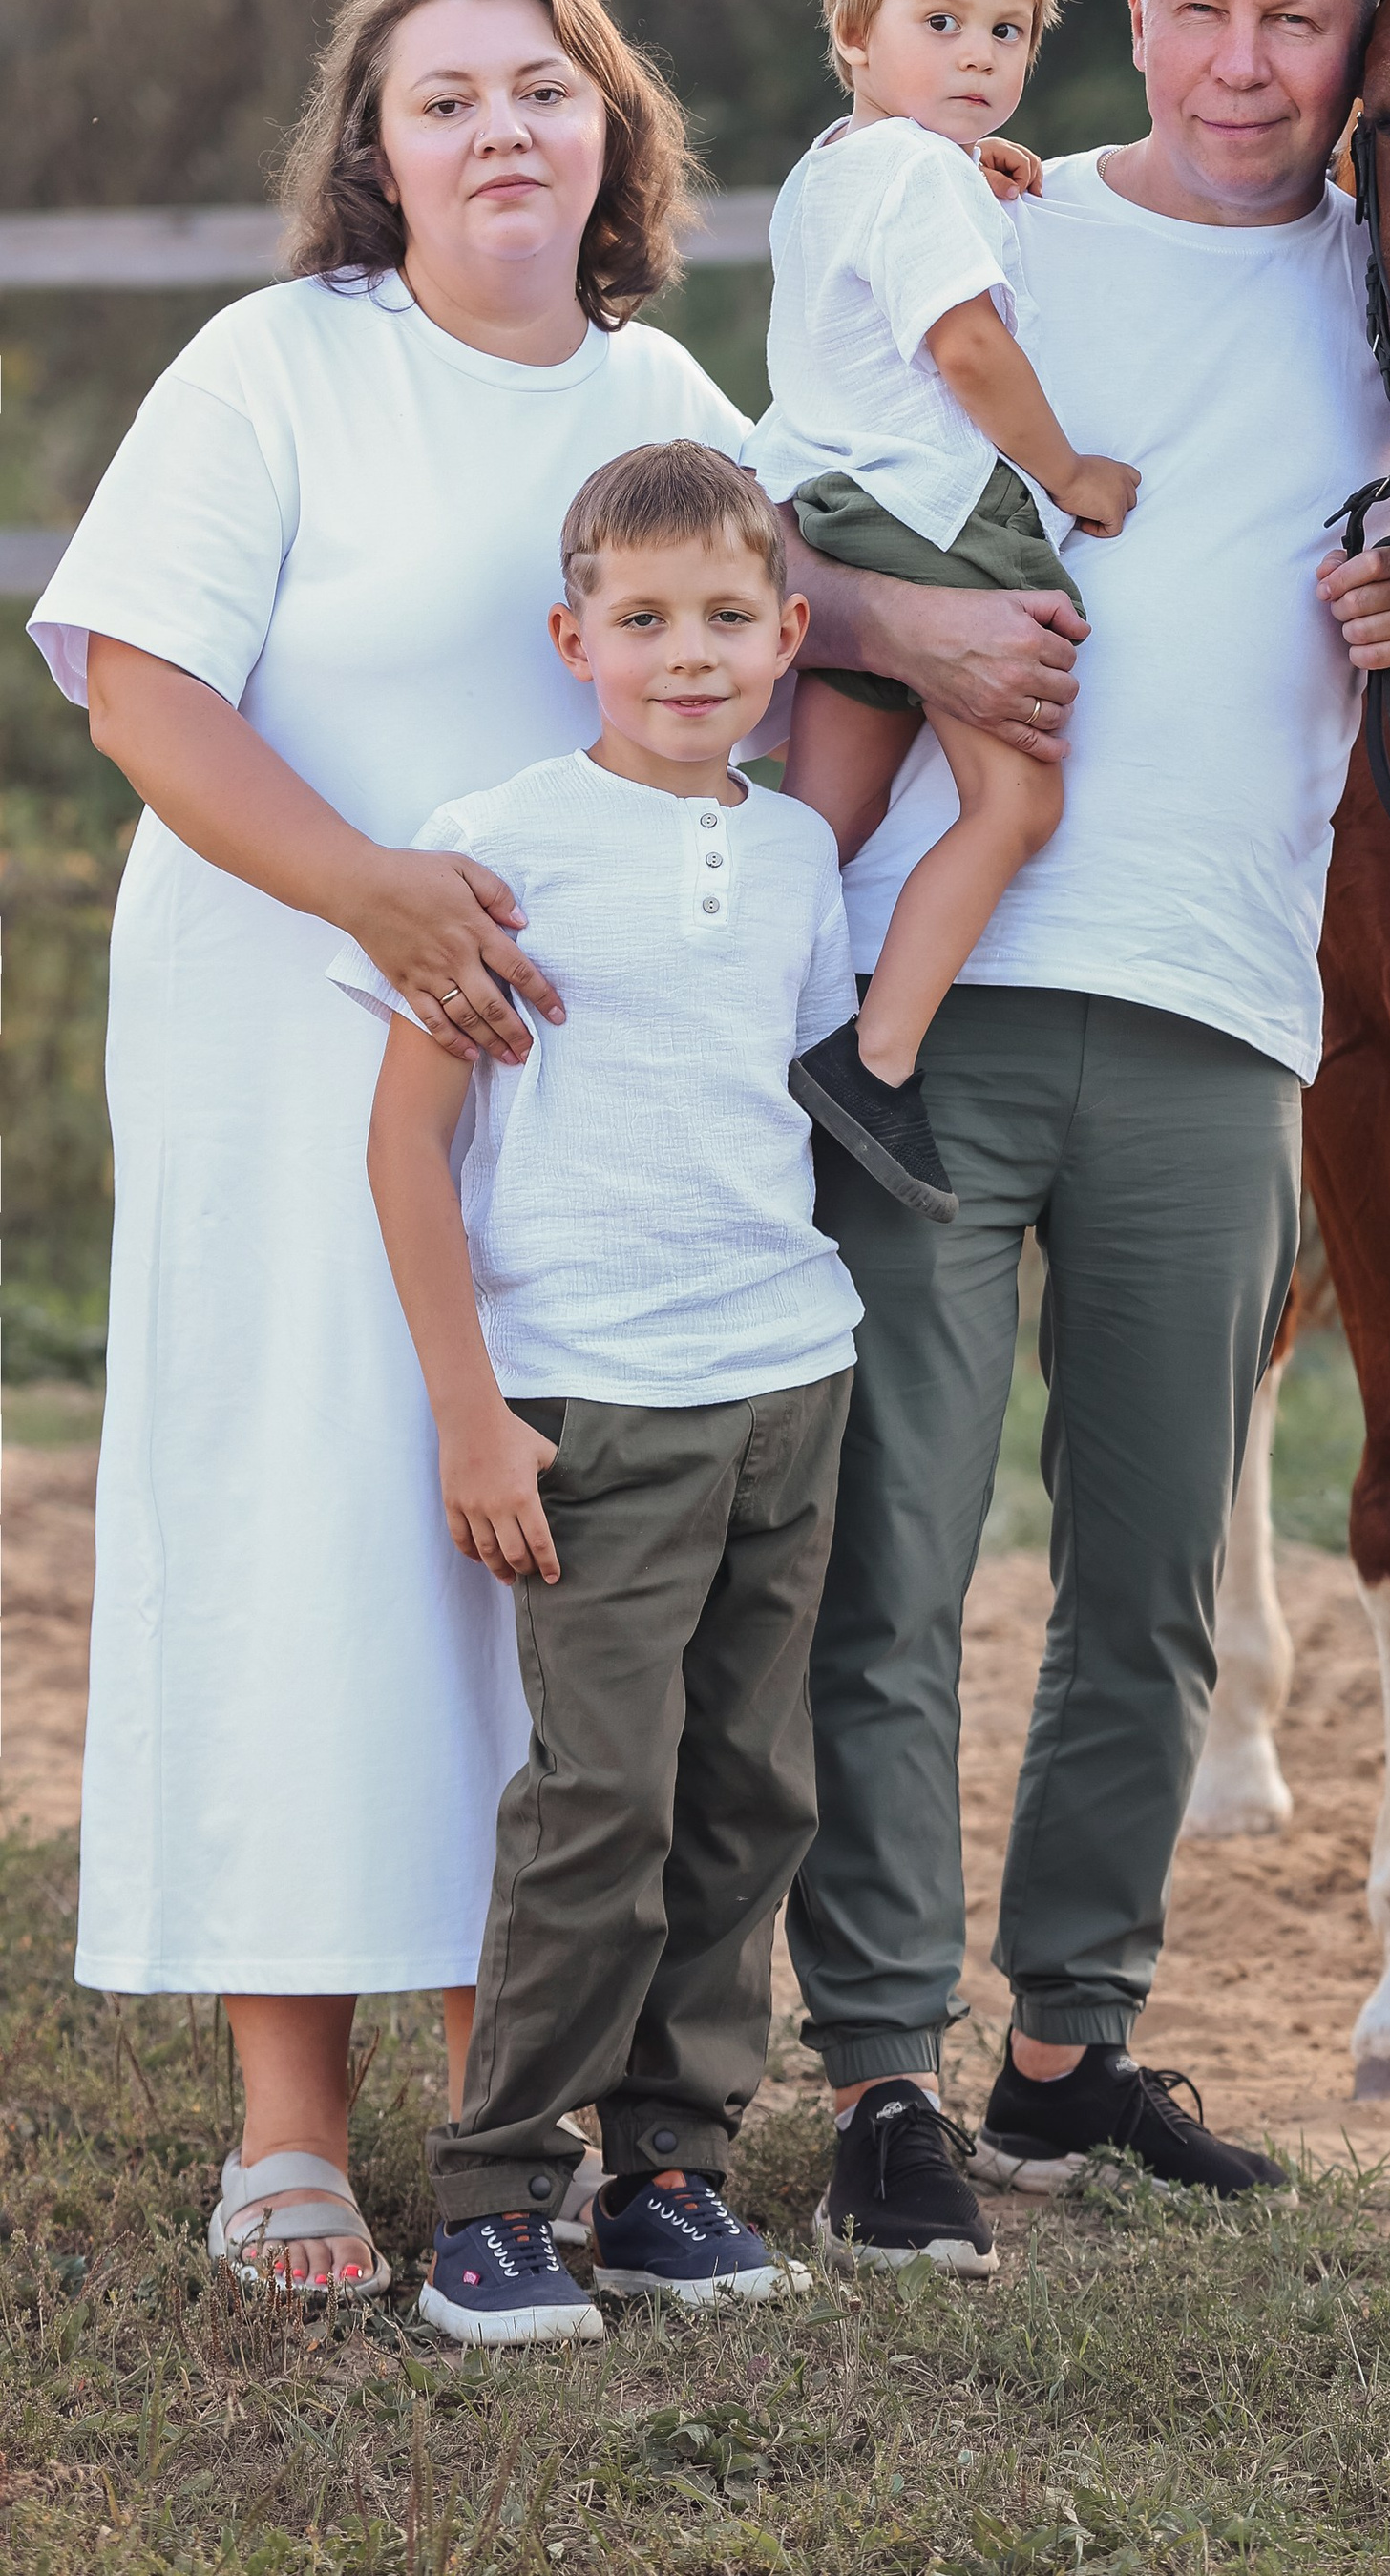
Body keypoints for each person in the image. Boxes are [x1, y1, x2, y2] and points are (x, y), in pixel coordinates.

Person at [771, 0, 1390, 2273]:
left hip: (1229, 1008)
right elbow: (745, 534)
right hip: (933, 992)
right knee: (896, 1562)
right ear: (1135, 8)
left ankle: (1066, 2055)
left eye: (1295, 21)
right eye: (1203, 9)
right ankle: (884, 2074)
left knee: (1146, 1578)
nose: (1246, 62)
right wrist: (908, 644)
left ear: (1358, 46)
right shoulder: (963, 215)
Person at [30, 0, 748, 2301]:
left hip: (555, 1067)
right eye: (445, 100)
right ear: (378, 152)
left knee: (515, 1531)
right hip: (278, 1009)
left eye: (543, 87)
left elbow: (756, 630)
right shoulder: (278, 368)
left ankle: (505, 2116)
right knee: (309, 1516)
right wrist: (374, 892)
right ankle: (285, 2132)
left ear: (612, 129)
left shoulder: (656, 387)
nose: (502, 129)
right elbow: (139, 691)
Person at [341, 442, 857, 2343]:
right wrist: (473, 1411)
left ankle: (670, 2173)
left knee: (745, 1795)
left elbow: (785, 1095)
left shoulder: (799, 850)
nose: (687, 655)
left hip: (788, 1380)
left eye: (727, 619)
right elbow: (409, 1149)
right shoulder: (497, 845)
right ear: (574, 637)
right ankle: (493, 2193)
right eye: (643, 621)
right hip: (592, 1403)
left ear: (789, 639)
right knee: (598, 1806)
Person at [748, 0, 1141, 1221]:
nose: (979, 55)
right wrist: (1069, 473)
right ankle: (874, 1061)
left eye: (1010, 32)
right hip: (937, 512)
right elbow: (965, 348)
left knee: (820, 824)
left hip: (837, 502)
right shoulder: (921, 178)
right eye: (942, 24)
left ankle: (723, 1033)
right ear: (854, 32)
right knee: (1018, 799)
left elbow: (888, 237)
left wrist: (968, 164)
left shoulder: (838, 166)